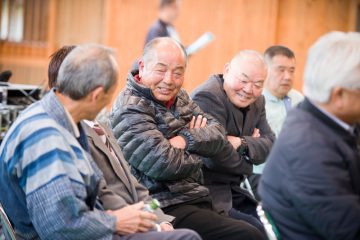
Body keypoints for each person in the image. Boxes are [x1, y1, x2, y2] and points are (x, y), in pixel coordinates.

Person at [0, 44, 200, 240]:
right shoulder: (46, 137)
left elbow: (98, 189)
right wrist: (116, 221)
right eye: (109, 97)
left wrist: (143, 220)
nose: (108, 106)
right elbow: (59, 228)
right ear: (96, 95)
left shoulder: (59, 120)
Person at [110, 37, 265, 240]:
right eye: (161, 70)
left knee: (256, 227)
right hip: (163, 205)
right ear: (142, 66)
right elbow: (163, 164)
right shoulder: (130, 107)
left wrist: (184, 140)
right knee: (247, 235)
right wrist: (202, 150)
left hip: (196, 196)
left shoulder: (180, 97)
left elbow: (217, 132)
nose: (168, 80)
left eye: (177, 73)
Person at [259, 31, 360, 240]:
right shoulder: (309, 148)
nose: (287, 76)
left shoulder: (315, 115)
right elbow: (349, 230)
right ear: (339, 95)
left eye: (291, 70)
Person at [191, 50, 275, 218]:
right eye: (243, 80)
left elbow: (272, 144)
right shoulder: (208, 96)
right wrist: (249, 164)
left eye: (258, 84)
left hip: (236, 189)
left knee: (275, 226)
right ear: (227, 70)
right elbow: (216, 158)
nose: (249, 89)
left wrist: (241, 143)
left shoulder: (258, 101)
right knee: (254, 232)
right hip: (207, 192)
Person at [262, 45, 303, 137]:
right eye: (281, 70)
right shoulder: (256, 102)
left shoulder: (299, 99)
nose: (288, 77)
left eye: (291, 71)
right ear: (265, 70)